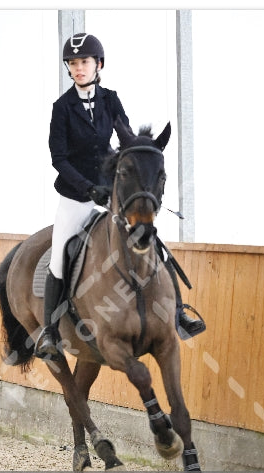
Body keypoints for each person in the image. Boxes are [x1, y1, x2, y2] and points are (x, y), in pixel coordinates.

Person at [37, 32, 205, 359]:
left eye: (84, 62)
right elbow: (59, 158)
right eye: (73, 64)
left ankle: (178, 312)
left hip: (111, 193)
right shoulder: (62, 108)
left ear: (98, 64)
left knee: (150, 240)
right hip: (76, 197)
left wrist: (125, 177)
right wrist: (88, 188)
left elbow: (125, 138)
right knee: (59, 256)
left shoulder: (110, 99)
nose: (79, 68)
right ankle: (50, 332)